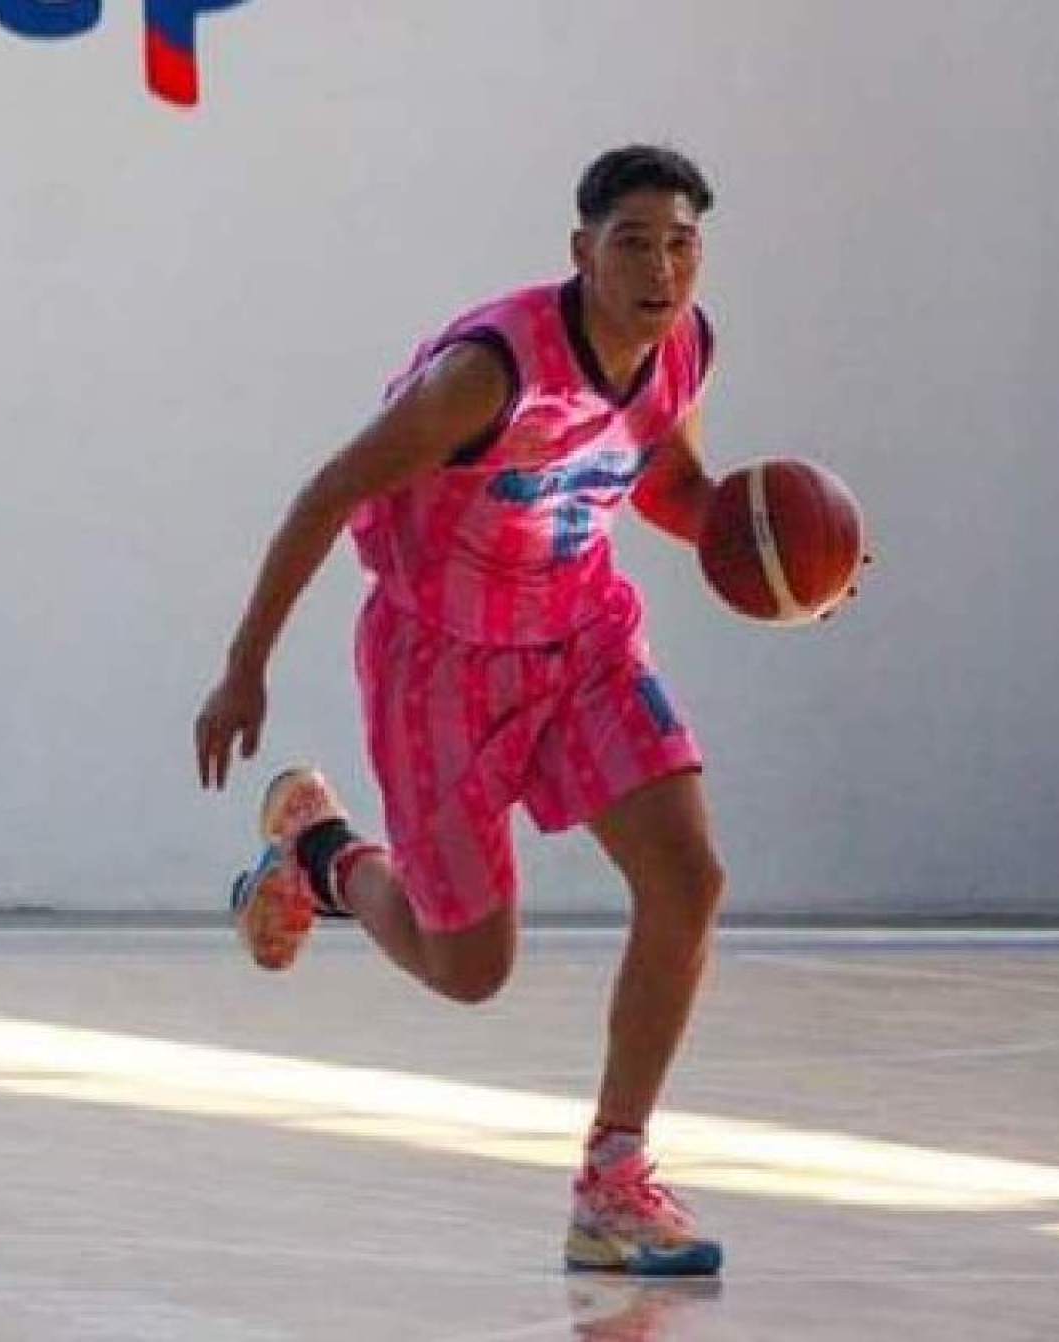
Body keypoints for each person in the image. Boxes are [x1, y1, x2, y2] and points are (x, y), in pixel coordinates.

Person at [193, 144, 734, 1278]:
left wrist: (773, 544)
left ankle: (614, 1180)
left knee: (688, 877)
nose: (659, 268)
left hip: (582, 639)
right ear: (581, 251)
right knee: (470, 967)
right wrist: (245, 667)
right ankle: (322, 851)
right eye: (633, 242)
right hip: (439, 662)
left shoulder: (684, 345)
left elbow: (671, 484)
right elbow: (327, 493)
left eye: (681, 244)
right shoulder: (489, 375)